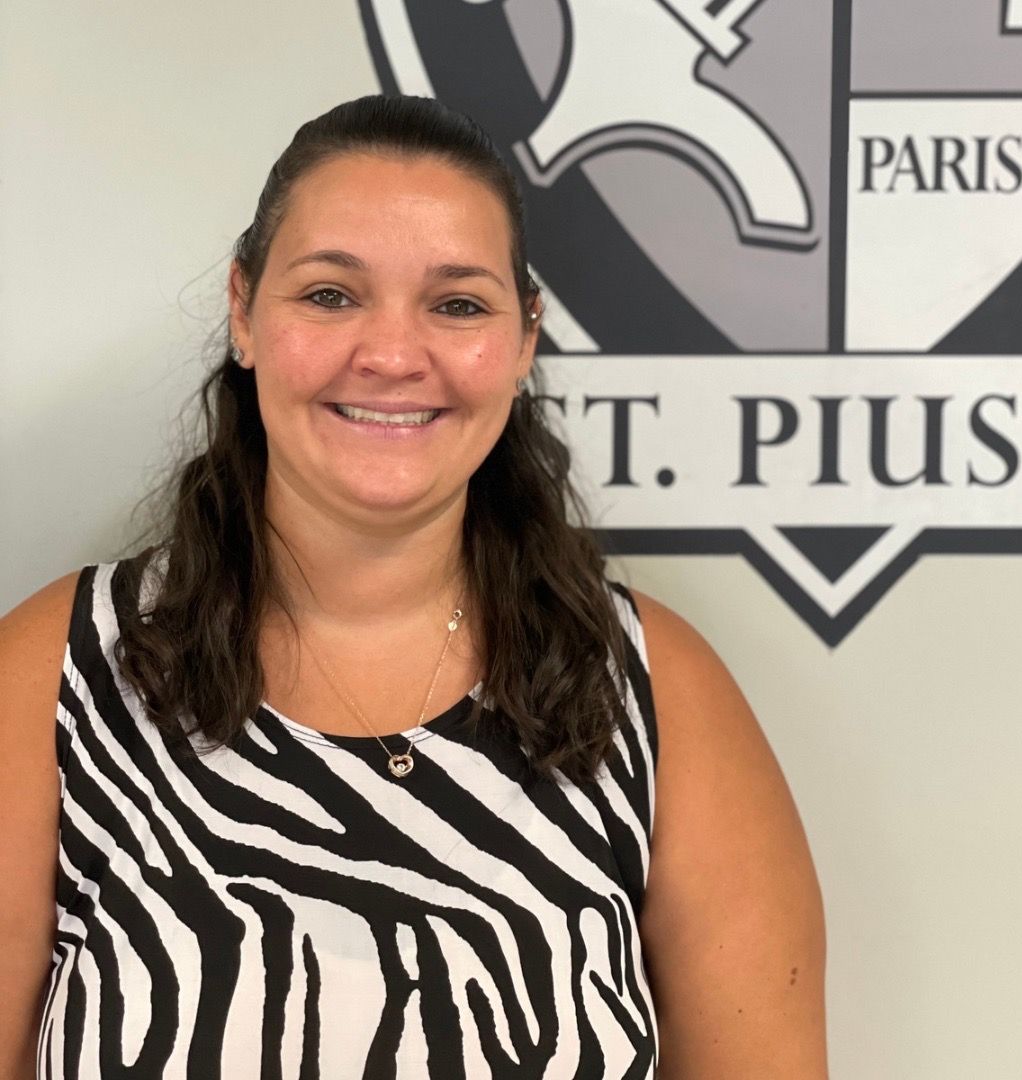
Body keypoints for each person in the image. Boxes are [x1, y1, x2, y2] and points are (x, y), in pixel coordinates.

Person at [0, 95, 827, 1078]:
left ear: (524, 342)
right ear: (243, 312)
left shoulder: (655, 693)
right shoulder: (57, 677)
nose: (393, 355)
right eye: (331, 295)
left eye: (458, 304)